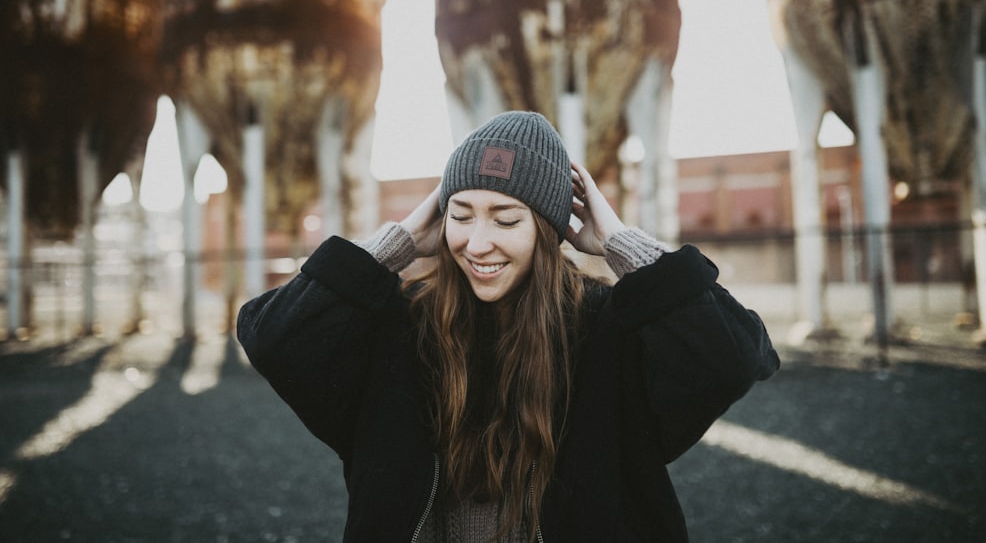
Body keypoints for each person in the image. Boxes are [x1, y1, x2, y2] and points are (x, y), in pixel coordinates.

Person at [237, 111, 780, 542]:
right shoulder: (401, 329)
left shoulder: (605, 330)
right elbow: (274, 339)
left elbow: (732, 357)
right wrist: (391, 246)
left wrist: (621, 244)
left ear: (549, 230)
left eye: (505, 218)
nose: (477, 243)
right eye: (461, 213)